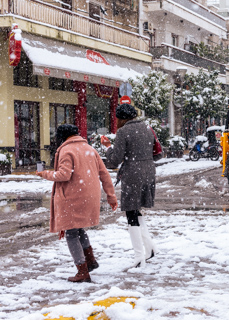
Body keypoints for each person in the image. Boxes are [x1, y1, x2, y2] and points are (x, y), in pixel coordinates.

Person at [36, 124, 118, 283]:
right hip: (89, 196)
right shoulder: (89, 149)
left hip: (72, 197)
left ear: (62, 136)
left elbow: (63, 175)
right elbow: (104, 174)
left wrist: (44, 173)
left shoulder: (67, 150)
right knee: (78, 228)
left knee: (71, 233)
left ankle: (82, 270)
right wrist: (111, 195)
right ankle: (90, 261)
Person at [100, 104, 157, 269]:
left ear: (121, 118)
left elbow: (115, 159)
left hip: (133, 175)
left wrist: (108, 147)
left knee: (131, 213)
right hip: (148, 172)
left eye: (117, 118)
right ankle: (150, 248)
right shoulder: (147, 128)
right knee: (137, 210)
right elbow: (157, 152)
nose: (116, 121)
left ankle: (139, 257)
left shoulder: (123, 132)